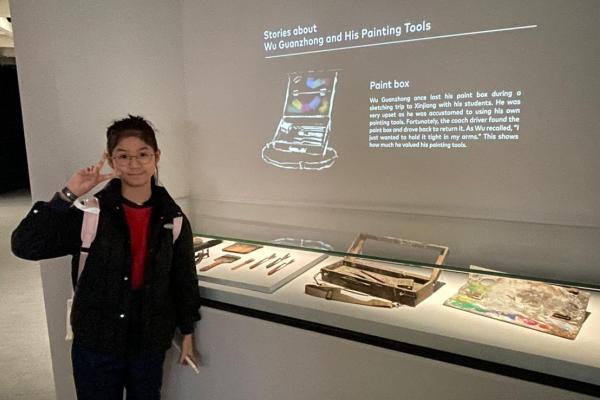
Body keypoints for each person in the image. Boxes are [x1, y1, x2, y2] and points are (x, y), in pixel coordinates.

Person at [11, 115, 201, 400]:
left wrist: (187, 330)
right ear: (112, 161)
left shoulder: (172, 218)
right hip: (97, 341)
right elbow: (25, 246)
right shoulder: (91, 213)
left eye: (143, 154)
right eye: (123, 156)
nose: (134, 164)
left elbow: (182, 277)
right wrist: (67, 195)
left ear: (156, 157)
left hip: (147, 341)